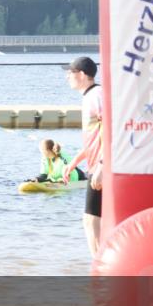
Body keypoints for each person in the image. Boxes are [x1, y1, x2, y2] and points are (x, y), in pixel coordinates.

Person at [62, 57, 104, 258]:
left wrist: (103, 165)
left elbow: (113, 130)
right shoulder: (89, 96)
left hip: (102, 168)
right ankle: (102, 265)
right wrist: (73, 163)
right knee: (93, 219)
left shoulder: (97, 95)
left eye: (70, 72)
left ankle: (100, 266)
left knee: (91, 219)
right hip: (95, 166)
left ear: (82, 74)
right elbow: (93, 140)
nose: (67, 76)